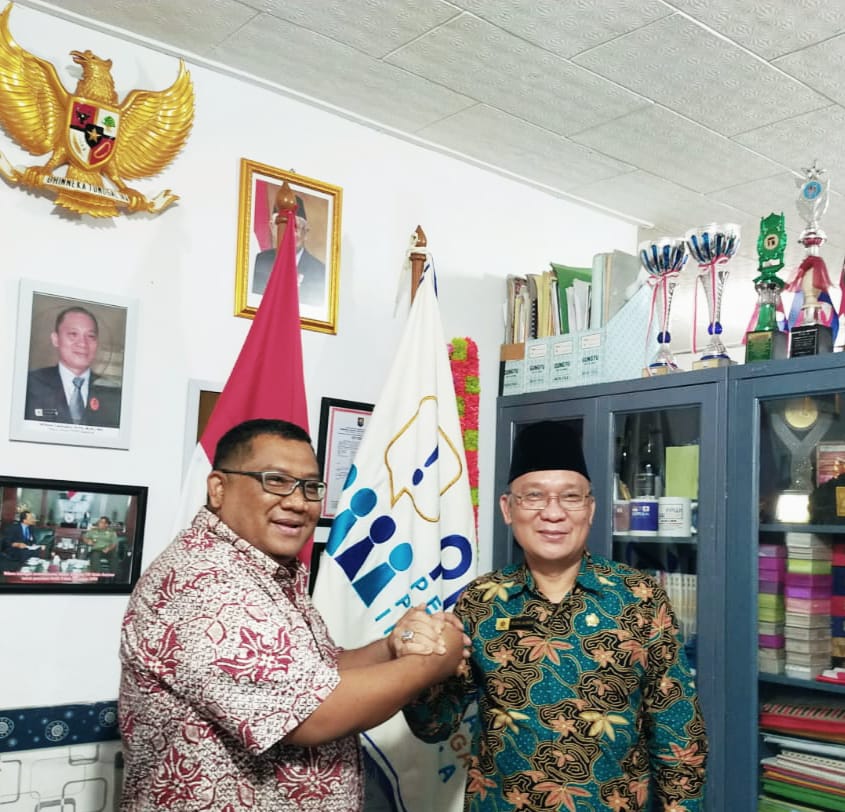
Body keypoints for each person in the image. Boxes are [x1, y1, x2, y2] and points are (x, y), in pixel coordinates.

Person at [118, 418, 468, 809]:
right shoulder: (206, 582)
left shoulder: (262, 569)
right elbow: (311, 714)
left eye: (310, 487)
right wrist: (433, 662)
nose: (298, 502)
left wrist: (392, 646)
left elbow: (314, 674)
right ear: (218, 488)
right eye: (276, 481)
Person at [403, 421, 707, 811]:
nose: (553, 513)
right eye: (534, 496)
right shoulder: (481, 601)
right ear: (507, 509)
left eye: (571, 497)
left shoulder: (639, 597)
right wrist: (413, 655)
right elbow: (435, 724)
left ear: (591, 509)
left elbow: (679, 733)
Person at [24, 305, 122, 428]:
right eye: (73, 334)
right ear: (56, 339)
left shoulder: (114, 393)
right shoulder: (29, 384)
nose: (83, 344)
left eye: (90, 336)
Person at [252, 194, 326, 306]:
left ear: (305, 233)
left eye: (295, 227)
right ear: (272, 228)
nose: (288, 234)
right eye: (283, 226)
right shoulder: (259, 261)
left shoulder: (320, 272)